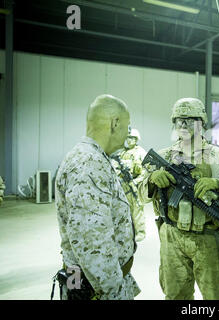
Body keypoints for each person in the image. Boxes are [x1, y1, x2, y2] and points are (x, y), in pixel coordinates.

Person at [147, 97, 219, 300]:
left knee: (215, 296)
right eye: (179, 120)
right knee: (175, 295)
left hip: (207, 238)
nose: (183, 124)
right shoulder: (164, 156)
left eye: (190, 119)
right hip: (172, 235)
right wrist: (152, 179)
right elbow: (141, 193)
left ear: (202, 122)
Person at [55, 94, 140, 300]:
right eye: (126, 127)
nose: (127, 135)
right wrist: (114, 292)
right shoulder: (89, 164)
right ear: (114, 123)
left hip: (90, 283)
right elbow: (93, 244)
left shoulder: (91, 157)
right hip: (98, 289)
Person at [111, 128, 148, 242]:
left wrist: (138, 181)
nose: (130, 140)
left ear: (136, 139)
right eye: (128, 138)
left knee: (137, 209)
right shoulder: (121, 153)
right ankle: (125, 231)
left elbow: (147, 170)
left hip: (135, 185)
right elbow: (115, 167)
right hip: (123, 186)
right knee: (123, 208)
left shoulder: (141, 152)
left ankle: (140, 232)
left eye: (132, 138)